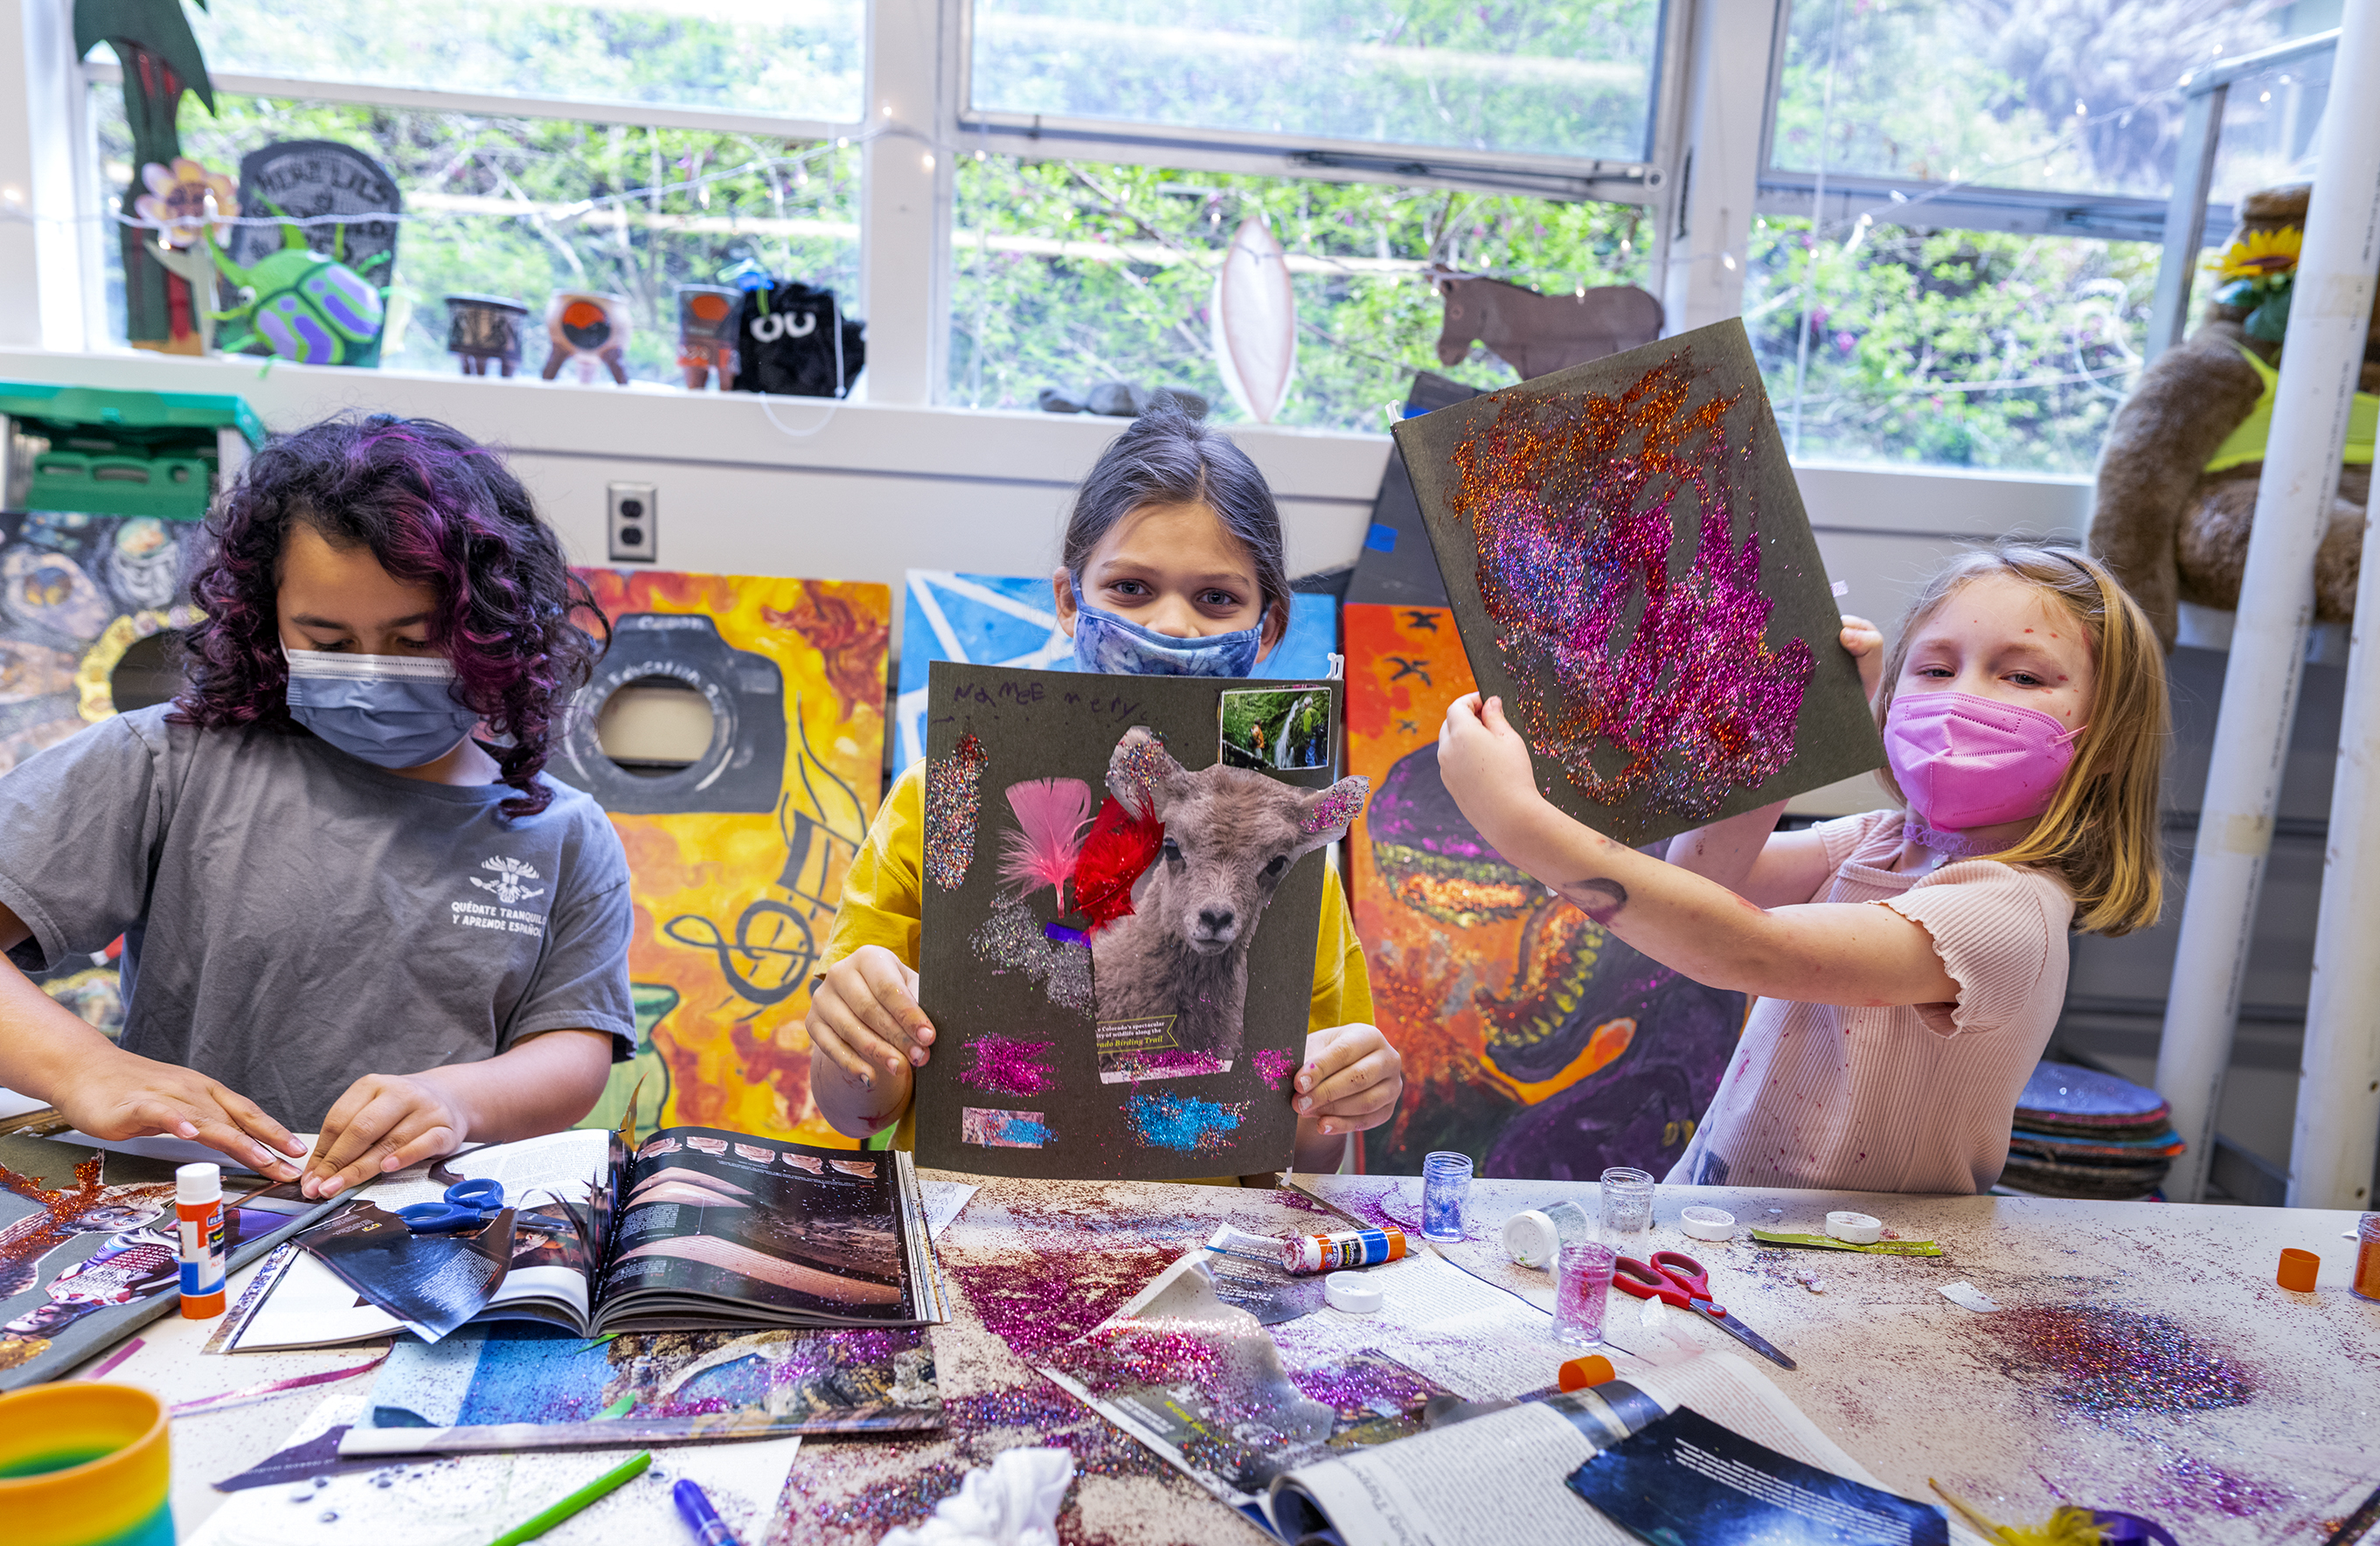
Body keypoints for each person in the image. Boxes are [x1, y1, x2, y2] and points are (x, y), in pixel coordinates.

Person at [0, 413, 636, 1199]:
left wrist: (457, 1100)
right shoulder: (172, 761)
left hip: (424, 1219)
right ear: (267, 620)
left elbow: (571, 1052)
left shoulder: (562, 835)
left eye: (413, 640)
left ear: (491, 627)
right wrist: (83, 1068)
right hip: (189, 1212)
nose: (372, 674)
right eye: (328, 641)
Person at [1436, 544, 2166, 1194]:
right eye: (1936, 669)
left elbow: (1745, 946)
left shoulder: (2008, 910)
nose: (1961, 698)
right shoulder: (1878, 842)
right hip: (1735, 1216)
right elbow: (1709, 880)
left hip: (1858, 1271)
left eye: (2024, 678)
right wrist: (1797, 722)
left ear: (2104, 738)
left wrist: (1518, 821)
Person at [810, 396, 1401, 1171]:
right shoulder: (942, 799)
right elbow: (854, 1108)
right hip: (974, 1228)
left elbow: (1305, 1154)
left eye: (1217, 597)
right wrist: (859, 1029)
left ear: (1270, 627)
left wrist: (1345, 1091)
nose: (1173, 625)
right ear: (1068, 599)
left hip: (1206, 1249)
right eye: (1130, 587)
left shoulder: (1284, 852)